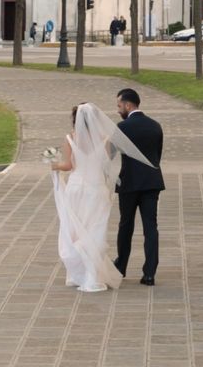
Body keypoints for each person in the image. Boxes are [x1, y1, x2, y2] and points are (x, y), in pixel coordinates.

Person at [51, 102, 154, 292]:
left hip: (76, 189)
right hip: (96, 189)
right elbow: (106, 166)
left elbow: (68, 166)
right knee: (94, 230)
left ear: (75, 119)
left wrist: (53, 165)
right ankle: (92, 275)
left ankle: (79, 274)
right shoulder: (104, 139)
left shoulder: (70, 138)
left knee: (77, 229)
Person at [114, 88, 165, 286]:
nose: (118, 110)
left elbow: (109, 153)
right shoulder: (155, 126)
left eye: (119, 106)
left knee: (126, 225)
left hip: (129, 183)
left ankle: (121, 266)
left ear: (128, 105)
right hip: (152, 182)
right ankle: (149, 273)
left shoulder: (122, 127)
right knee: (150, 227)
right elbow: (157, 155)